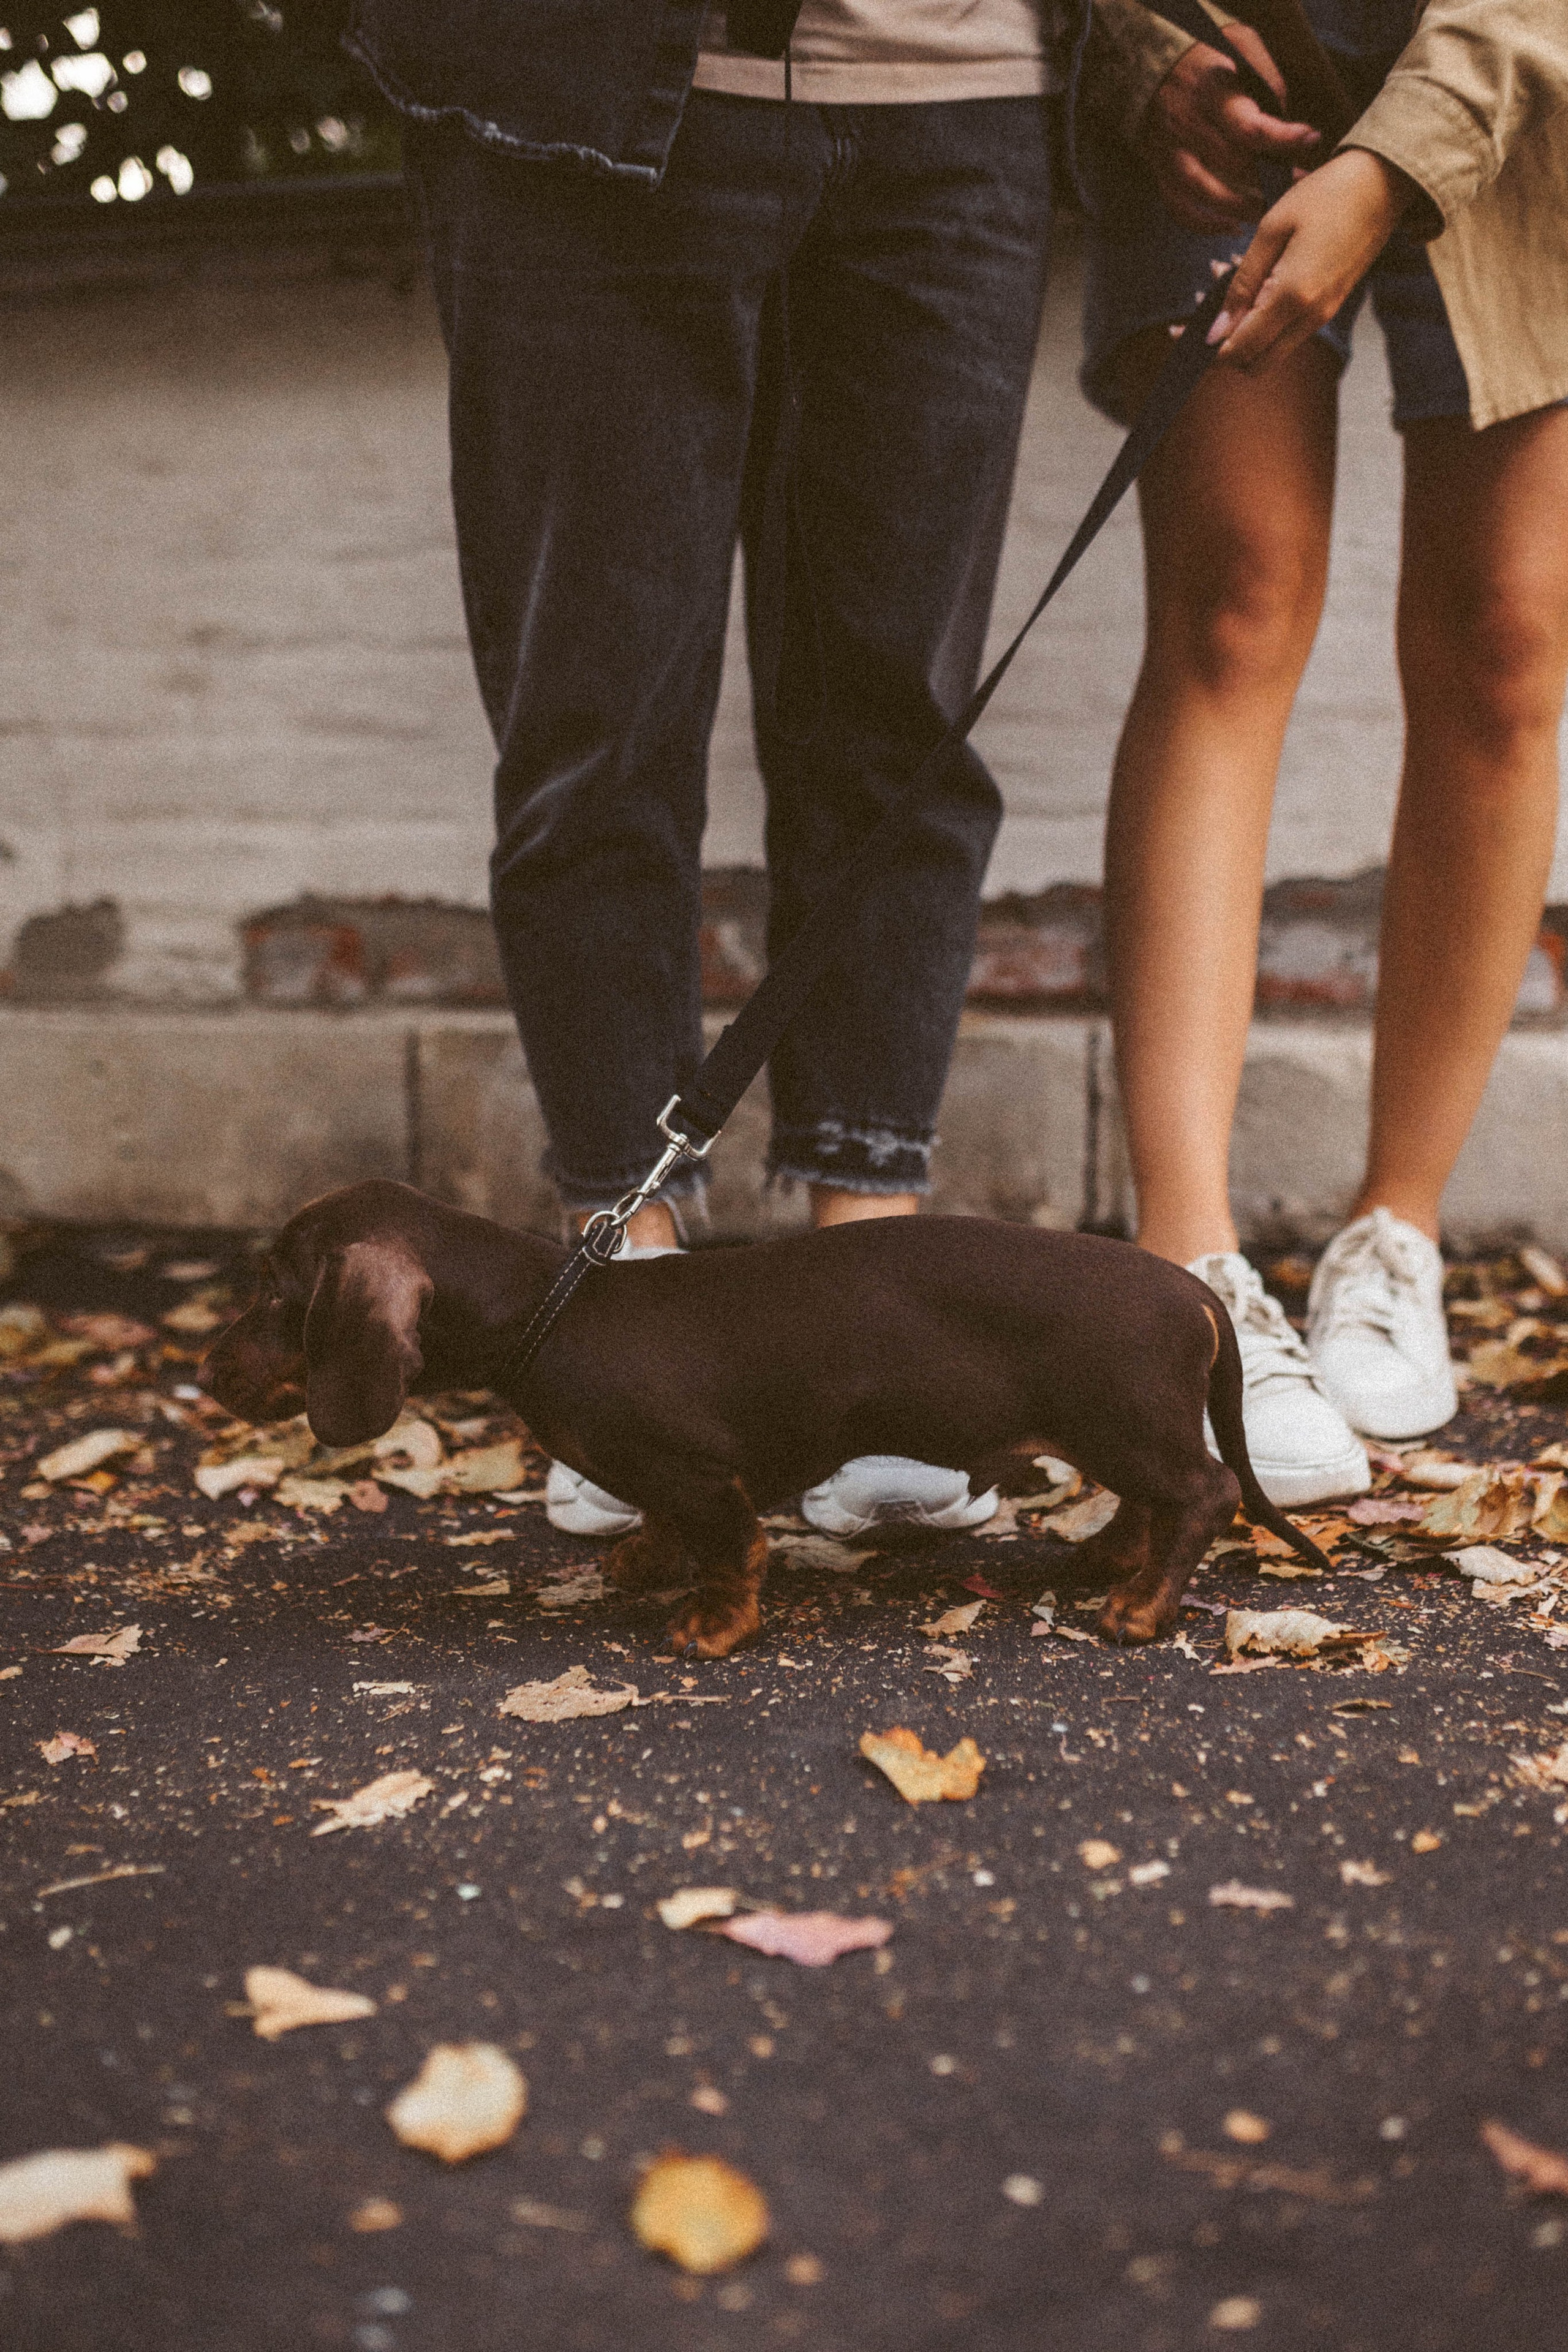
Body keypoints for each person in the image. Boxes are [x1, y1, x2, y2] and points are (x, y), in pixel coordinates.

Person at [344, 0, 1208, 1539]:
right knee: (594, 720)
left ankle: (882, 1332)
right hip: (577, 90)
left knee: (895, 726)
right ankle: (621, 1308)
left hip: (956, 96)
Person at [1082, 0, 1568, 1502]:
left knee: (1504, 643)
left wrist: (1394, 158)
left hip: (1519, 82)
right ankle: (1185, 1259)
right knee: (1228, 609)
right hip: (1229, 77)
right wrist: (1122, 38)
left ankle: (1393, 1234)